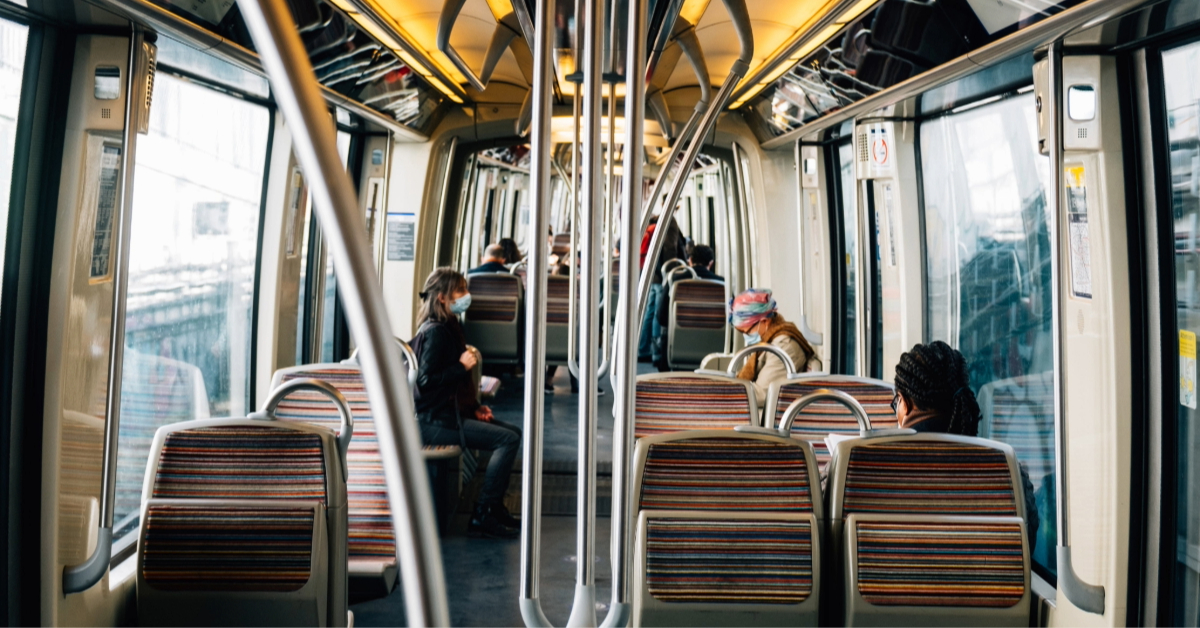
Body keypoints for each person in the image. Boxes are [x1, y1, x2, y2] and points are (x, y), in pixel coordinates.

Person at [891, 340, 1039, 546]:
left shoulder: (862, 465)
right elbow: (1025, 548)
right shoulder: (1006, 470)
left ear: (904, 404)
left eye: (895, 404)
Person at [411, 268, 521, 538]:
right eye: (460, 291)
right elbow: (424, 382)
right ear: (442, 298)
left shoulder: (450, 327)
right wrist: (460, 367)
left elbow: (452, 388)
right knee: (506, 441)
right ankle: (483, 512)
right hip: (433, 422)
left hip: (448, 414)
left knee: (514, 434)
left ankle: (493, 507)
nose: (466, 296)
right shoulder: (436, 332)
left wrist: (474, 407)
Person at [728, 288, 819, 404]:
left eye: (746, 332)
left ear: (764, 322)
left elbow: (762, 394)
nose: (746, 336)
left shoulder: (784, 348)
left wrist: (725, 392)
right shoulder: (770, 340)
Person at [653, 244, 724, 371]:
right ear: (711, 263)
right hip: (713, 355)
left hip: (677, 351)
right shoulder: (723, 284)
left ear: (690, 260)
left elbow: (661, 317)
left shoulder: (675, 281)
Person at [638, 215, 686, 364]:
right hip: (661, 274)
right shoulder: (669, 221)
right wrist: (670, 271)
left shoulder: (650, 223)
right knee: (659, 313)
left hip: (650, 274)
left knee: (649, 312)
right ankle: (657, 352)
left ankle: (643, 348)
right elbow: (669, 247)